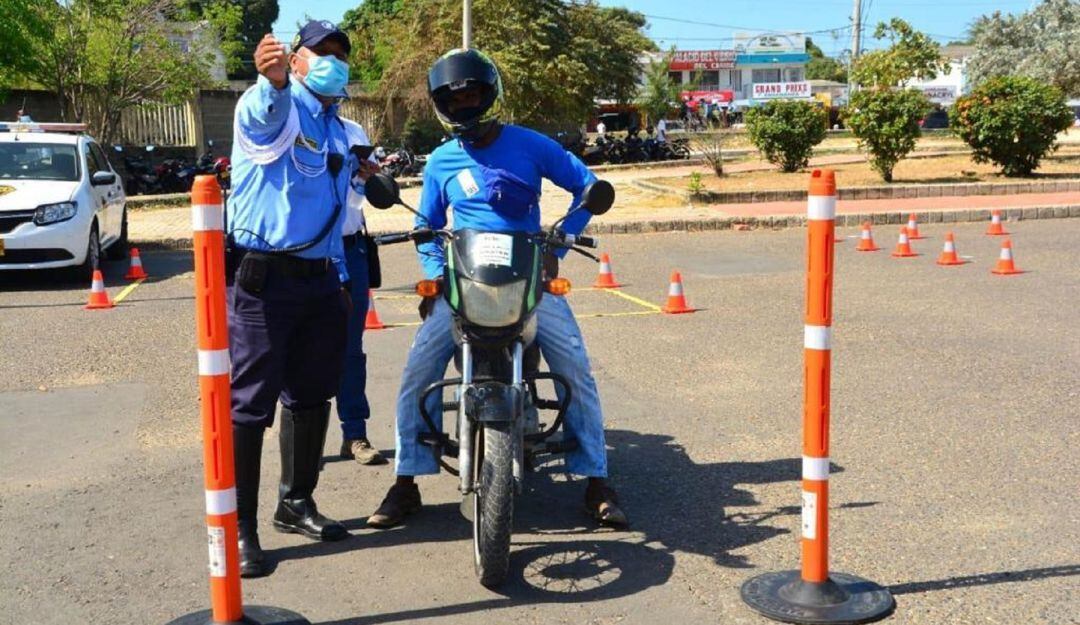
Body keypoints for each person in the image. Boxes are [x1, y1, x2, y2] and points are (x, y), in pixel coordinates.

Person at [366, 48, 628, 529]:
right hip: (464, 280)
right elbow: (427, 224)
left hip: (529, 278)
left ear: (489, 96)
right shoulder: (443, 160)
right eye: (454, 98)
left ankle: (595, 480)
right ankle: (407, 481)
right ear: (443, 106)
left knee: (575, 367)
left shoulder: (531, 144)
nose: (464, 104)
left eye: (472, 94)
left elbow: (587, 186)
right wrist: (433, 272)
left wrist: (559, 244)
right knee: (417, 374)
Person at [227, 20, 377, 578]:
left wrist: (340, 280)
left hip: (322, 280)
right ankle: (240, 526)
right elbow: (263, 116)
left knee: (313, 396)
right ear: (296, 60)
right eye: (321, 53)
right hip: (268, 279)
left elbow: (340, 211)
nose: (333, 62)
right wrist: (272, 83)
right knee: (251, 406)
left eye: (341, 54)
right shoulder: (276, 106)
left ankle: (296, 502)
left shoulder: (341, 131)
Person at [336, 118, 386, 466]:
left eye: (339, 59)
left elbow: (359, 197)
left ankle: (354, 433)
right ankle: (298, 445)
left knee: (351, 349)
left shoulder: (353, 130)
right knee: (297, 349)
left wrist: (368, 176)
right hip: (306, 252)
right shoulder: (289, 121)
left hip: (351, 249)